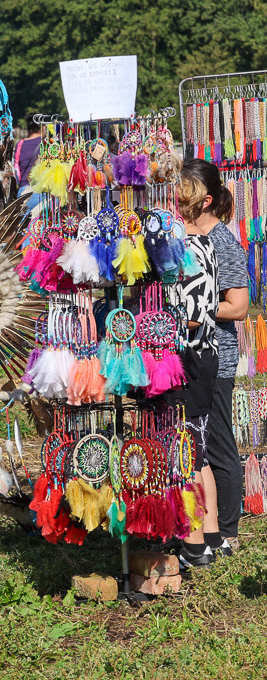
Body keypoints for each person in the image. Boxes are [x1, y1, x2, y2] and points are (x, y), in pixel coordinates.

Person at [188, 159, 247, 558]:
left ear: (205, 199)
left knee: (219, 445)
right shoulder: (187, 238)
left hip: (219, 357)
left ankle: (227, 531)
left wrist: (199, 310)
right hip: (196, 355)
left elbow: (239, 306)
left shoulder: (224, 243)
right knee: (200, 445)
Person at [174, 160, 222, 569]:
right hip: (204, 355)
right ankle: (209, 537)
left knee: (184, 452)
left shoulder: (184, 250)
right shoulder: (205, 241)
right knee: (198, 451)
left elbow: (190, 312)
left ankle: (191, 544)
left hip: (189, 357)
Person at [14, 116, 43, 214]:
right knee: (39, 227)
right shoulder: (46, 142)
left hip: (24, 191)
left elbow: (16, 169)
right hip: (41, 191)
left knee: (21, 226)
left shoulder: (20, 144)